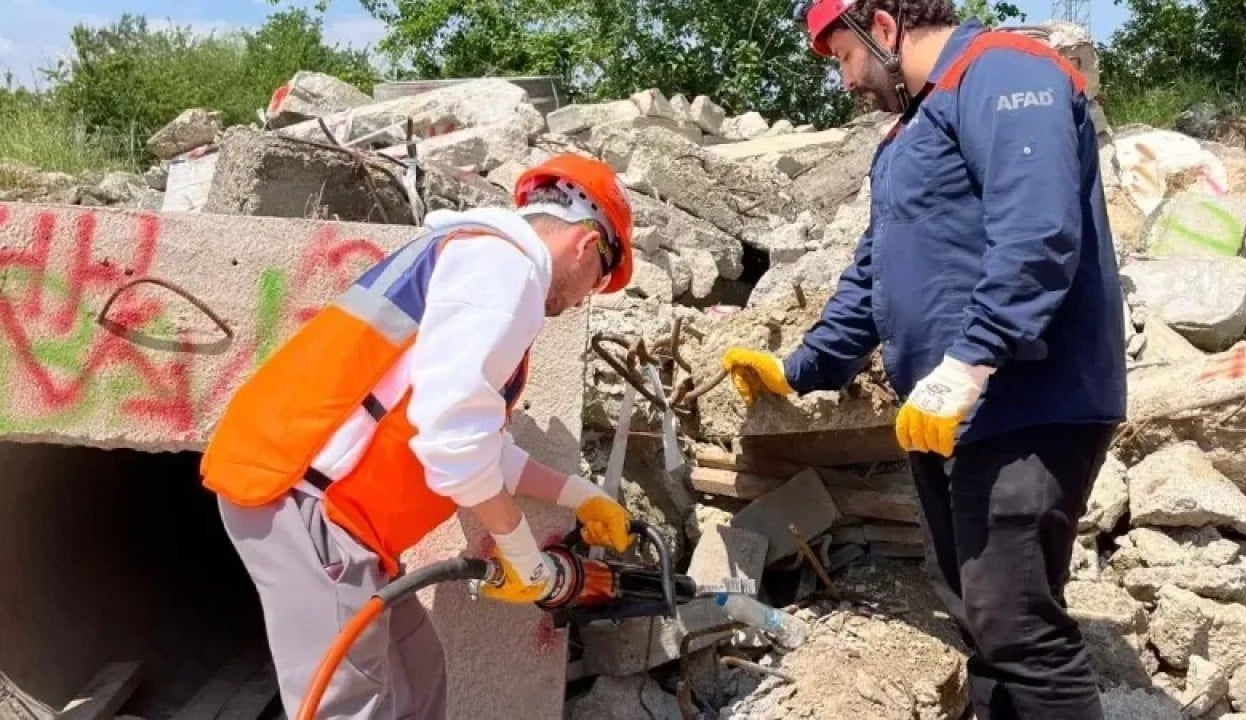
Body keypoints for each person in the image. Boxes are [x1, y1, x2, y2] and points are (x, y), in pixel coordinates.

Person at [721, 2, 1127, 718]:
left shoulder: (1001, 71)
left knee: (1019, 627)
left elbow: (1038, 232)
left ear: (881, 25)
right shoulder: (913, 130)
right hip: (948, 415)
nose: (844, 80)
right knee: (978, 614)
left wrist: (971, 362)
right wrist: (804, 366)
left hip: (1027, 402)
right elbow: (876, 269)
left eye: (842, 55)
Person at [199, 153, 638, 720]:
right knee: (351, 708)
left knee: (418, 675)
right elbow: (453, 437)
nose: (583, 299)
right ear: (586, 246)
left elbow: (475, 439)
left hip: (339, 521)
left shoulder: (477, 263)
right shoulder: (502, 270)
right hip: (308, 509)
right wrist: (523, 553)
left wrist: (578, 494)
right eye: (599, 283)